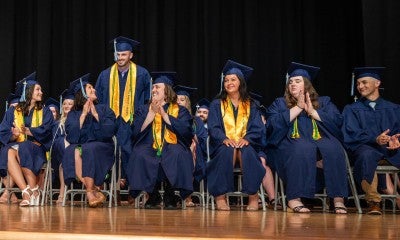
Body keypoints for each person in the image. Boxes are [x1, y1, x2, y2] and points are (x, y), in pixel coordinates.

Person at [266, 62, 348, 214]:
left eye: (297, 81)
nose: (292, 84)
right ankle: (294, 198)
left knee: (334, 148)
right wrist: (297, 108)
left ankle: (337, 198)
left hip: (320, 140)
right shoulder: (280, 103)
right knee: (301, 147)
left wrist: (312, 112)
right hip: (291, 142)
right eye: (290, 82)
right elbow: (271, 125)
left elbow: (337, 121)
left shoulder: (324, 102)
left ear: (307, 84)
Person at [126, 72, 194, 209]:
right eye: (153, 87)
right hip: (148, 145)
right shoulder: (143, 109)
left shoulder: (180, 110)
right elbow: (135, 131)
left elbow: (186, 130)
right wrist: (152, 113)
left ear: (167, 90)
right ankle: (153, 194)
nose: (153, 90)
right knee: (140, 153)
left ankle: (170, 194)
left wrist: (163, 114)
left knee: (177, 153)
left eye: (157, 87)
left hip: (172, 145)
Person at [206, 60, 265, 211]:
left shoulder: (252, 104)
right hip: (222, 145)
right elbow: (213, 127)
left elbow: (258, 127)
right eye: (226, 80)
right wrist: (224, 139)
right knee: (228, 150)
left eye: (233, 79)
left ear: (241, 82)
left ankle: (253, 196)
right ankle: (220, 197)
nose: (229, 82)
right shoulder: (216, 104)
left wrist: (247, 139)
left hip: (246, 144)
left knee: (248, 152)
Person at [95, 36, 151, 190]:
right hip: (111, 121)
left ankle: (133, 187)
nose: (120, 58)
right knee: (110, 151)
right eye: (118, 55)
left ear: (131, 55)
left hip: (133, 121)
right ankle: (112, 187)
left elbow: (148, 99)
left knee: (130, 151)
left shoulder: (142, 74)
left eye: (124, 54)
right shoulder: (105, 75)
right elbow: (99, 99)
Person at [342, 67, 400, 215]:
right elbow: (351, 133)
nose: (360, 86)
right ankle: (373, 202)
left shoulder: (394, 108)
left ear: (377, 83)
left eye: (364, 82)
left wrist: (396, 139)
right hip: (366, 148)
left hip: (390, 149)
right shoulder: (352, 109)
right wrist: (374, 139)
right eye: (358, 83)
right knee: (367, 155)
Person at [0, 72, 54, 207]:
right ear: (29, 92)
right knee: (7, 151)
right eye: (38, 89)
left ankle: (31, 191)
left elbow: (47, 131)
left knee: (24, 147)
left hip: (37, 148)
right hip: (17, 146)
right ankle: (27, 191)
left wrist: (29, 131)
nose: (41, 92)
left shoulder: (45, 111)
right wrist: (13, 134)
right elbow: (3, 131)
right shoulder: (12, 111)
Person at [62, 74, 116, 208]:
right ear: (82, 93)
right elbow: (71, 137)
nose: (94, 90)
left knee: (88, 149)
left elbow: (111, 131)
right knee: (71, 150)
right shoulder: (74, 114)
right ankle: (92, 191)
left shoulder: (104, 109)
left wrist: (96, 115)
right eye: (90, 88)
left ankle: (90, 192)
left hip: (103, 147)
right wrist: (84, 114)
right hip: (82, 147)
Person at [175, 85, 208, 207]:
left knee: (190, 149)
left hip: (192, 152)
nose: (178, 101)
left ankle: (187, 195)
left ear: (187, 102)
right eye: (176, 99)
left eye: (182, 99)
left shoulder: (195, 120)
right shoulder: (168, 117)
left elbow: (202, 139)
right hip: (172, 150)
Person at [249, 92, 276, 209]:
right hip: (241, 150)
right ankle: (256, 196)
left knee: (263, 163)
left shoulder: (263, 126)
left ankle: (272, 199)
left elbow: (263, 144)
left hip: (259, 151)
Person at [50, 89, 74, 205]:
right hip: (58, 154)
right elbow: (54, 141)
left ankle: (63, 193)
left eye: (70, 104)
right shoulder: (57, 123)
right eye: (64, 103)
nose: (66, 106)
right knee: (60, 142)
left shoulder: (79, 121)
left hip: (75, 153)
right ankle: (62, 192)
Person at [0, 93, 21, 204]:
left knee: (6, 157)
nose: (15, 109)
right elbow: (3, 134)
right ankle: (10, 194)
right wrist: (14, 136)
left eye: (17, 106)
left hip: (23, 149)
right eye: (12, 106)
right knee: (4, 156)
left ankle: (7, 193)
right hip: (10, 146)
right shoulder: (8, 116)